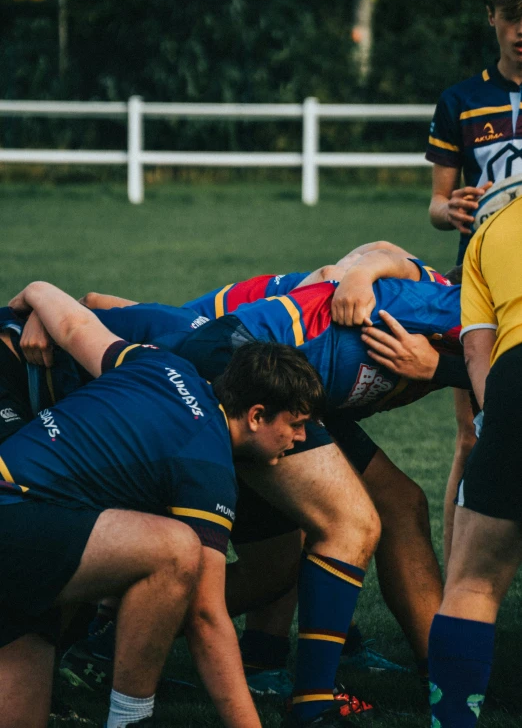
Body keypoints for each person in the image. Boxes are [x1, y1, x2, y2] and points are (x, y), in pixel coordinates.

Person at [27, 248, 466, 722]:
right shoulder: (429, 302)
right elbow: (355, 265)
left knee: (294, 554)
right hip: (232, 372)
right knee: (347, 523)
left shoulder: (442, 333)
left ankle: (243, 658)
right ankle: (314, 700)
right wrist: (41, 308)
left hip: (286, 398)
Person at [0, 280, 326, 728]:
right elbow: (207, 617)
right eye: (297, 423)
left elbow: (76, 325)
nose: (302, 438)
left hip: (29, 536)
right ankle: (131, 720)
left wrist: (36, 290)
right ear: (254, 416)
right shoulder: (207, 463)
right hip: (15, 519)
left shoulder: (157, 362)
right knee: (175, 550)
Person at [426, 0, 522, 568]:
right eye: (513, 16)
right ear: (491, 17)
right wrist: (452, 209)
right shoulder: (461, 101)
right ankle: (453, 588)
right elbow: (436, 205)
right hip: (481, 290)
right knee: (474, 435)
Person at [428, 191, 522, 728]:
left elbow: (476, 353)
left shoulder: (490, 229)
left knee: (472, 583)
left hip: (515, 381)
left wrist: (501, 424)